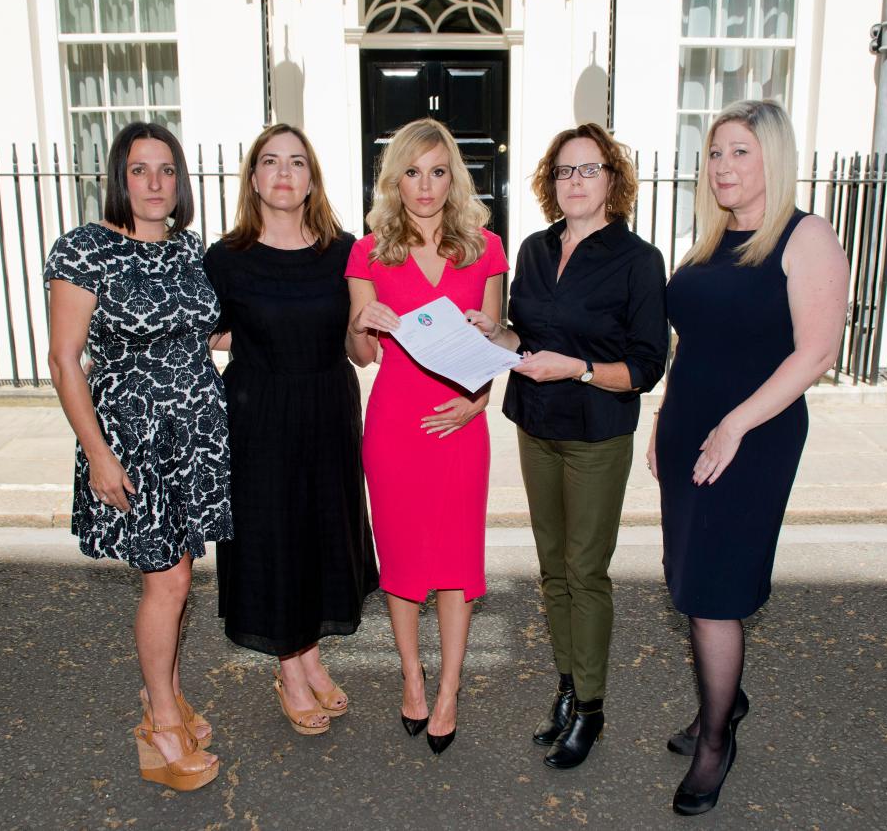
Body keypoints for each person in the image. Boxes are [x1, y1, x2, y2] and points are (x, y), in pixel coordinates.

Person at [648, 100, 849, 816]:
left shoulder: (805, 237)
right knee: (687, 577)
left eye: (739, 152)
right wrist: (666, 419)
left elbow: (817, 352)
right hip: (692, 431)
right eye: (715, 153)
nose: (723, 166)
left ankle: (715, 741)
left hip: (753, 437)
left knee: (715, 591)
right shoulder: (708, 244)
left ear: (773, 158)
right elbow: (690, 344)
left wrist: (734, 425)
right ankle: (721, 703)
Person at [471, 123, 668, 769]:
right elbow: (525, 338)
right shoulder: (533, 249)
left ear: (613, 179)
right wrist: (492, 334)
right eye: (563, 171)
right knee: (552, 569)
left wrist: (579, 369)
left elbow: (646, 367)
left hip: (595, 433)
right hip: (537, 425)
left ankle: (592, 708)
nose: (574, 182)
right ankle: (566, 685)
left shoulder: (638, 261)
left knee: (586, 571)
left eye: (587, 170)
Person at [45, 121, 230, 791]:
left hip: (194, 436)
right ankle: (159, 727)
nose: (155, 183)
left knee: (176, 580)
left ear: (180, 182)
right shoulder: (87, 249)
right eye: (140, 170)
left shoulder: (188, 251)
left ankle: (171, 697)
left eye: (166, 171)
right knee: (169, 582)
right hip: (134, 439)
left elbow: (208, 332)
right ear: (119, 178)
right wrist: (97, 454)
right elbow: (65, 362)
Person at [203, 124, 379, 737]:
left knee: (320, 533)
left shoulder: (344, 251)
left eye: (297, 162)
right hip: (260, 415)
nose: (283, 173)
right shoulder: (225, 258)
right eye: (270, 162)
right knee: (274, 537)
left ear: (312, 178)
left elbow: (360, 352)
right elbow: (204, 333)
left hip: (329, 407)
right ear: (253, 177)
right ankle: (292, 667)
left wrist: (372, 325)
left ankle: (309, 653)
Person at [345, 118, 508, 755]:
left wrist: (478, 401)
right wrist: (362, 320)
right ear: (395, 179)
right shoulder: (369, 252)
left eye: (438, 171)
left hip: (461, 425)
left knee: (456, 563)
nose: (425, 186)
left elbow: (495, 343)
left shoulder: (486, 249)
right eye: (412, 172)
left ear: (454, 177)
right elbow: (362, 354)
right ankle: (412, 677)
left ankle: (449, 691)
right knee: (406, 559)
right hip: (394, 426)